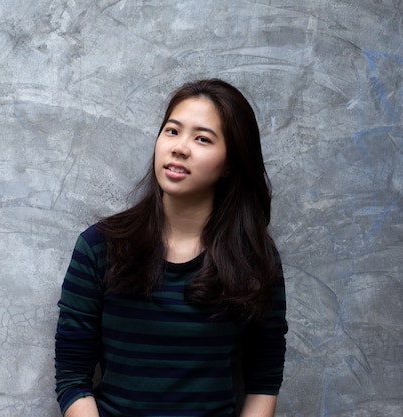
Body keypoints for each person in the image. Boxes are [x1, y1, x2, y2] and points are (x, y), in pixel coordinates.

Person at [54, 79, 288, 417]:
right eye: (172, 131)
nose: (180, 147)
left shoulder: (255, 259)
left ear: (231, 164)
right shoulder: (100, 246)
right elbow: (72, 378)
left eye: (202, 138)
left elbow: (264, 381)